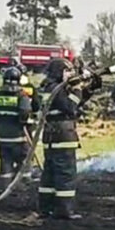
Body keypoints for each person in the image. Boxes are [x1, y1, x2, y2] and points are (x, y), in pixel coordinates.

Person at [37, 58, 101, 219]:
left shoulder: (48, 87)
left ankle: (46, 208)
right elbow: (70, 107)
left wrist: (89, 89)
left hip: (51, 136)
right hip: (62, 136)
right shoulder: (56, 88)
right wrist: (77, 88)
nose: (71, 73)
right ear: (58, 72)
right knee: (66, 173)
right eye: (68, 71)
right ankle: (64, 210)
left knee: (50, 174)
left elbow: (73, 103)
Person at [0, 66, 38, 179]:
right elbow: (25, 112)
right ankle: (24, 183)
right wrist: (23, 122)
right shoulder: (21, 96)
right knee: (24, 162)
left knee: (5, 161)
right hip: (19, 138)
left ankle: (6, 182)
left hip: (1, 137)